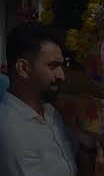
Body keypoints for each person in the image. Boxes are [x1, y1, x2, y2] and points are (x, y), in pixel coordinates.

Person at [0, 22, 77, 175]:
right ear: (23, 68)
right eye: (52, 66)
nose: (61, 75)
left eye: (61, 66)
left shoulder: (50, 111)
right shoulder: (10, 130)